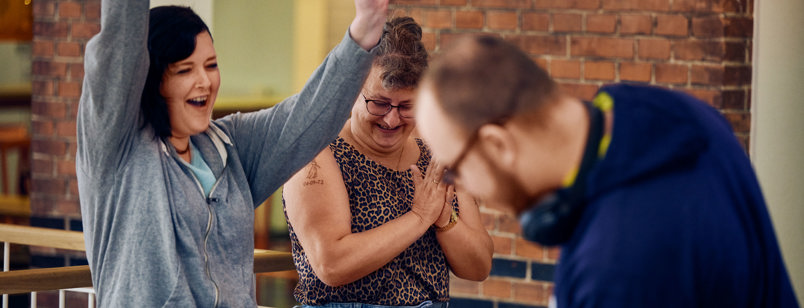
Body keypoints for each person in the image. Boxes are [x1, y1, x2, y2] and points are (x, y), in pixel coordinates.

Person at [414, 35, 799, 307]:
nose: (457, 184)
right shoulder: (674, 113)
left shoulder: (613, 268)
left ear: (498, 145)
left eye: (455, 170)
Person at [76, 0, 387, 306]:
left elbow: (307, 117)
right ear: (151, 79)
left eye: (211, 65)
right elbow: (119, 50)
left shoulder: (228, 145)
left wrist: (365, 28)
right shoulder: (117, 149)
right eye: (185, 70)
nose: (205, 82)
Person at [282, 17, 493, 307]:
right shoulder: (318, 152)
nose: (392, 119)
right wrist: (419, 217)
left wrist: (444, 217)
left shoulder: (437, 153)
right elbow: (331, 264)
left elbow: (479, 267)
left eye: (407, 106)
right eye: (379, 103)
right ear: (353, 90)